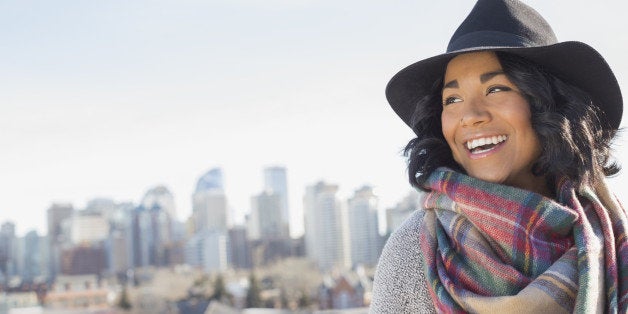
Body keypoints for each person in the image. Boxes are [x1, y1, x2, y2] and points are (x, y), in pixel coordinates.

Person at [370, 0, 627, 313]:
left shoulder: (614, 234)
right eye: (452, 99)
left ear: (549, 105)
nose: (470, 116)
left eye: (495, 89)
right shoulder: (415, 249)